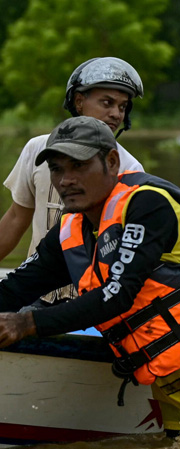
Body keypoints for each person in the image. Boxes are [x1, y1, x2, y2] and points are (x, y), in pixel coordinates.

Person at [0, 117, 180, 436]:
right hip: (172, 388)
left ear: (112, 161)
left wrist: (26, 323)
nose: (66, 180)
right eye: (57, 169)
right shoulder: (67, 233)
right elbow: (16, 288)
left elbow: (118, 295)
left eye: (78, 165)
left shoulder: (149, 202)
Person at [0, 57, 146, 303]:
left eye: (122, 107)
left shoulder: (129, 168)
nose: (115, 114)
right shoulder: (38, 149)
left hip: (93, 303)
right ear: (79, 102)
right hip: (36, 293)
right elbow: (15, 219)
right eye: (107, 103)